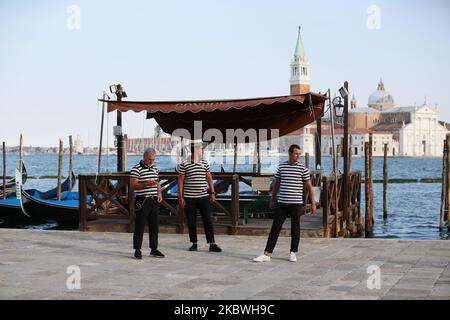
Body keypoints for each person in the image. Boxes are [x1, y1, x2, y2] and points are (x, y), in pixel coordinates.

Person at [253, 144, 316, 263]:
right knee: (275, 228)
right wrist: (272, 199)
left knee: (295, 228)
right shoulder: (282, 167)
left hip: (296, 204)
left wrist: (313, 204)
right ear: (290, 154)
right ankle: (267, 253)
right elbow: (276, 185)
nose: (298, 156)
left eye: (299, 154)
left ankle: (293, 252)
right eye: (296, 154)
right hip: (281, 203)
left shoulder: (303, 169)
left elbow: (310, 188)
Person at [177, 141, 222, 253]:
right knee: (191, 221)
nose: (202, 151)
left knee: (207, 220)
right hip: (189, 197)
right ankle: (194, 243)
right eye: (201, 149)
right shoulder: (184, 164)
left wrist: (212, 192)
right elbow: (180, 181)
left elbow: (209, 178)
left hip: (203, 196)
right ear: (195, 150)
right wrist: (180, 197)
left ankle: (212, 244)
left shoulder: (204, 163)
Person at [130, 148, 164, 259]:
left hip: (153, 200)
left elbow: (158, 183)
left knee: (154, 226)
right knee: (140, 225)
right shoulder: (136, 168)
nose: (151, 162)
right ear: (144, 157)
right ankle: (137, 250)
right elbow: (133, 185)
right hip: (142, 199)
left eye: (153, 160)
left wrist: (159, 194)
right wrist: (146, 184)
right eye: (149, 159)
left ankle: (154, 249)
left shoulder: (155, 168)